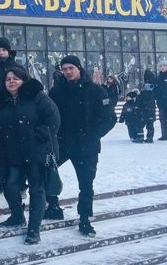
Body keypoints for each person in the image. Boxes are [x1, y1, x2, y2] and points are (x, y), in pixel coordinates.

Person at [48, 55, 117, 236]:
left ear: (79, 68)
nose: (68, 72)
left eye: (71, 68)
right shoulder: (56, 91)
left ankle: (85, 219)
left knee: (86, 185)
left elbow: (109, 118)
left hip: (86, 146)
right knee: (47, 172)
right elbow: (48, 115)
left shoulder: (96, 91)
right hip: (62, 143)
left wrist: (93, 136)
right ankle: (52, 205)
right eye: (64, 69)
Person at [0, 66, 60, 245]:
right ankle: (17, 216)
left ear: (24, 80)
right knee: (11, 185)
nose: (12, 81)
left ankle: (34, 229)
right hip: (13, 153)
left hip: (37, 152)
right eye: (8, 79)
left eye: (16, 78)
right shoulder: (2, 101)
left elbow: (53, 119)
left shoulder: (37, 97)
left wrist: (40, 135)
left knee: (37, 189)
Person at [136, 73, 158, 142]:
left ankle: (140, 137)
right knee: (150, 126)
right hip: (150, 113)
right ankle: (150, 138)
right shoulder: (152, 95)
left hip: (143, 113)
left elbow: (139, 103)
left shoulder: (142, 94)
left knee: (140, 126)